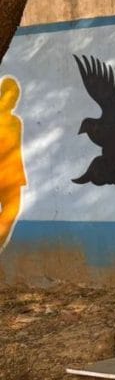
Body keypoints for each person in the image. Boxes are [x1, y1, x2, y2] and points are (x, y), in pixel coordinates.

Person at [0, 77, 26, 251]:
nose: (14, 101)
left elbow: (15, 149)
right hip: (8, 175)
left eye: (15, 97)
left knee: (12, 210)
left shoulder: (16, 122)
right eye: (11, 96)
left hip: (12, 176)